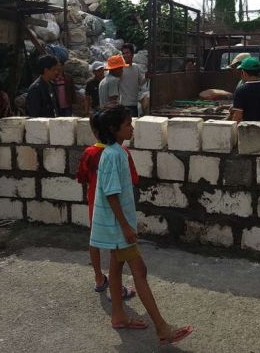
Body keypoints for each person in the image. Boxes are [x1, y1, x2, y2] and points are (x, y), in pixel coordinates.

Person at [91, 106, 193, 346]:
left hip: (117, 226)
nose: (132, 127)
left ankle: (118, 315)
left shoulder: (115, 151)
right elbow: (112, 194)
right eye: (127, 124)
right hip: (119, 228)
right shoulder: (115, 155)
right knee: (140, 271)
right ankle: (162, 328)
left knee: (116, 270)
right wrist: (126, 227)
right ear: (114, 129)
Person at [76, 111, 138, 298]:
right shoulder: (120, 153)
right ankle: (116, 289)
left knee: (94, 240)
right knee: (116, 250)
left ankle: (98, 278)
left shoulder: (90, 153)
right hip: (115, 207)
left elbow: (82, 178)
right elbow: (133, 179)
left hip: (96, 205)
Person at [119, 44, 146, 117]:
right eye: (123, 53)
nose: (125, 55)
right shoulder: (119, 69)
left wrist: (147, 76)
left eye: (127, 53)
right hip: (122, 105)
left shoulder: (136, 67)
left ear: (132, 54)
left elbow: (140, 82)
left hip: (134, 104)